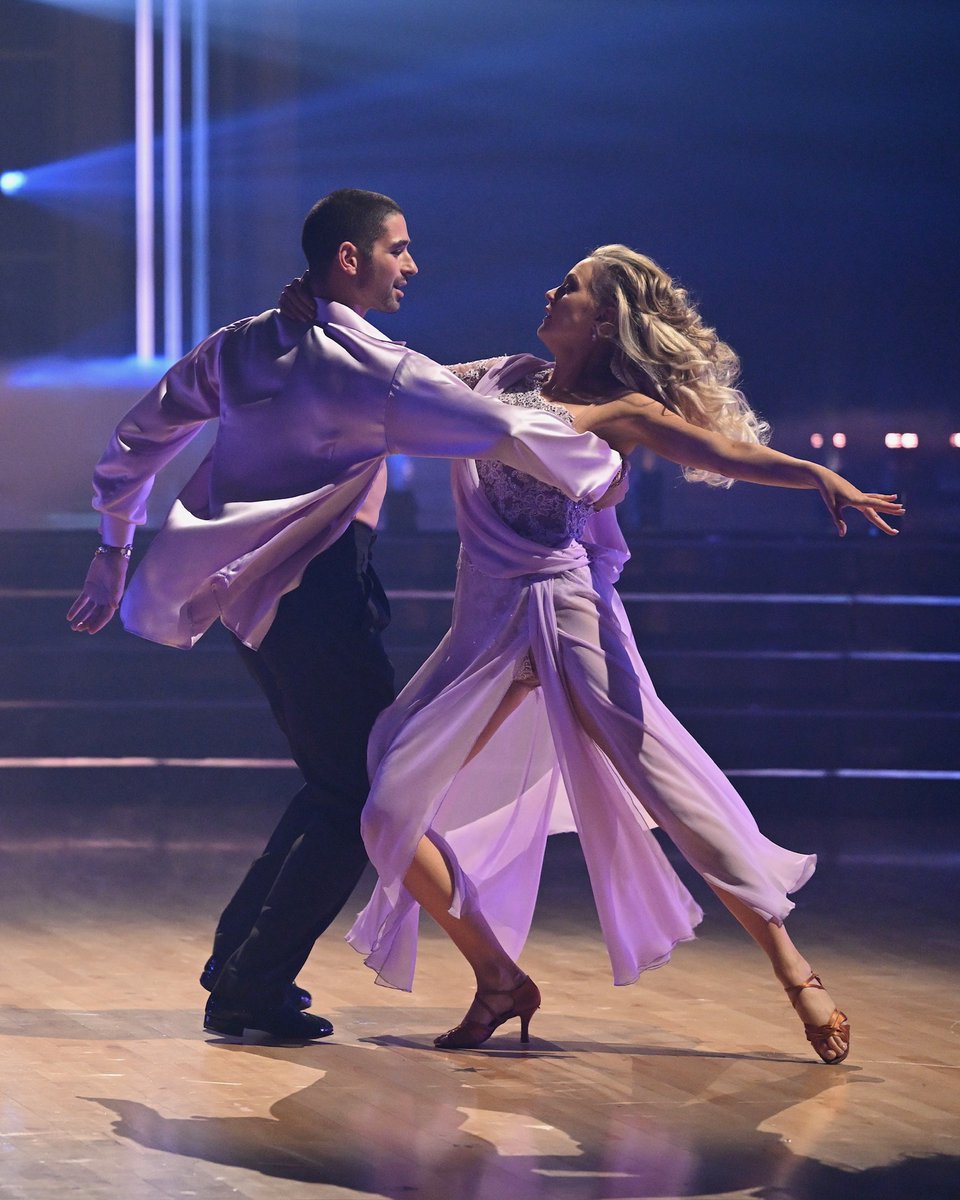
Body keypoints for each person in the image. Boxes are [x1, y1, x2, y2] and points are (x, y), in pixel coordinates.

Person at [288, 245, 903, 1063]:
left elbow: (724, 454)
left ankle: (793, 969)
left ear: (604, 318)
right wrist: (323, 318)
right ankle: (499, 979)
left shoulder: (625, 411)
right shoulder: (501, 376)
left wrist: (817, 474)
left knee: (669, 786)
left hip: (568, 614)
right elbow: (399, 372)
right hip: (484, 628)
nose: (550, 289)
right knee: (387, 808)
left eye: (569, 286)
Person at [66, 190, 622, 1043]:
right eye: (398, 249)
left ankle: (241, 965)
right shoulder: (377, 370)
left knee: (340, 786)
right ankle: (249, 983)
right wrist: (604, 468)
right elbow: (498, 425)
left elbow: (139, 436)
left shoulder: (248, 342)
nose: (413, 264)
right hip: (319, 601)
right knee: (365, 797)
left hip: (247, 606)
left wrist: (113, 546)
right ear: (350, 259)